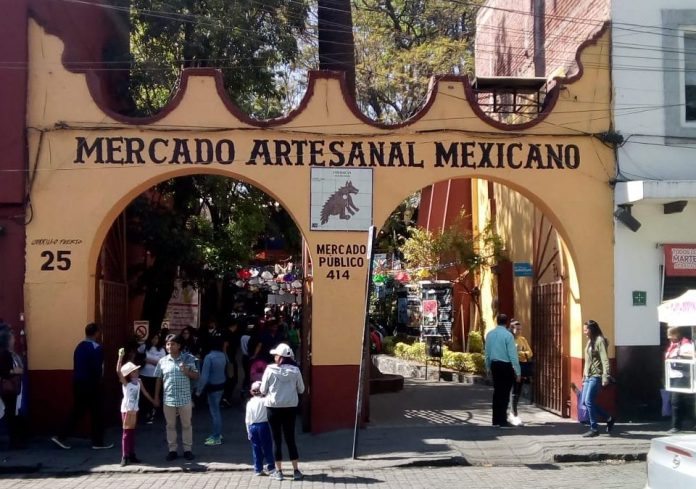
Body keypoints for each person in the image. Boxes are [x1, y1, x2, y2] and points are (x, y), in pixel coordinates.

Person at [51, 323, 113, 450]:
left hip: (78, 383)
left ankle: (60, 435)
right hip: (92, 384)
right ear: (96, 333)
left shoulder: (79, 347)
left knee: (78, 411)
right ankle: (97, 442)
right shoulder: (97, 348)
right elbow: (98, 369)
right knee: (97, 412)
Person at [260, 342, 305, 481]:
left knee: (276, 439)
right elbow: (301, 389)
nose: (274, 357)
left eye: (276, 355)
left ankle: (279, 471)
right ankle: (296, 470)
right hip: (290, 408)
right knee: (290, 438)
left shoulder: (269, 370)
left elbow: (263, 390)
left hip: (273, 408)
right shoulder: (296, 371)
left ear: (280, 357)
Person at [154, 333, 199, 461]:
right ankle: (172, 450)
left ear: (179, 345)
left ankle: (187, 450)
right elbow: (158, 379)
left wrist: (186, 371)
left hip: (185, 398)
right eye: (168, 344)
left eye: (172, 344)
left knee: (186, 425)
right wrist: (156, 397)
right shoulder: (162, 361)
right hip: (168, 399)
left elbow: (196, 376)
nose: (169, 346)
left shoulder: (188, 359)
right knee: (170, 426)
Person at [116, 350, 155, 466]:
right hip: (127, 410)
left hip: (134, 410)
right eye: (134, 371)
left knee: (132, 433)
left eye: (136, 370)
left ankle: (132, 454)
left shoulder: (139, 382)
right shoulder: (126, 383)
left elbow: (145, 393)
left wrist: (153, 401)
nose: (137, 372)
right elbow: (118, 371)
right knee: (126, 433)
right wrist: (120, 357)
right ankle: (125, 456)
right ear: (129, 374)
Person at [484, 314, 521, 428]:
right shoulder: (508, 336)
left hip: (494, 365)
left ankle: (495, 420)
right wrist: (518, 372)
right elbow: (513, 355)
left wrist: (487, 367)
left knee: (497, 392)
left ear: (497, 321)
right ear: (506, 323)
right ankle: (502, 420)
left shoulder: (489, 334)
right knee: (504, 394)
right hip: (505, 366)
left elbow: (487, 353)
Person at [581, 319, 615, 437]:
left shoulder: (600, 341)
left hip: (596, 376)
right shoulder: (590, 341)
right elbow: (587, 360)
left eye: (586, 330)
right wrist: (584, 375)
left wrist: (605, 376)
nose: (584, 332)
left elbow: (605, 360)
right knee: (585, 402)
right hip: (588, 376)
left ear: (591, 330)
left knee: (589, 401)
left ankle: (594, 428)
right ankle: (608, 417)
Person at [195, 335, 227, 446]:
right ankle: (217, 433)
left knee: (215, 413)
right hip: (221, 385)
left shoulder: (209, 357)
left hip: (212, 387)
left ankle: (216, 436)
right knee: (216, 411)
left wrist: (199, 390)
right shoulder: (223, 355)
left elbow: (204, 377)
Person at [665, 327, 694, 433]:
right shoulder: (674, 345)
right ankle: (678, 425)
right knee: (678, 401)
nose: (669, 338)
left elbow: (691, 356)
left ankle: (676, 426)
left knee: (677, 401)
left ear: (677, 334)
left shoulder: (685, 344)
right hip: (673, 376)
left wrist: (681, 356)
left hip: (682, 376)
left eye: (671, 335)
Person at [0, 323, 24, 449]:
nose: (14, 339)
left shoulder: (10, 354)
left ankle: (15, 440)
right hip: (9, 388)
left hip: (10, 388)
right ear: (8, 340)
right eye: (12, 337)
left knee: (11, 413)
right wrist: (16, 371)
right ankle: (14, 441)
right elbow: (4, 371)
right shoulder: (6, 354)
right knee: (11, 414)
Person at [245, 380, 276, 476]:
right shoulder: (266, 401)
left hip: (252, 426)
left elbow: (247, 419)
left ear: (251, 392)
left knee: (256, 448)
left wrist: (248, 431)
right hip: (264, 426)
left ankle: (258, 469)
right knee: (267, 447)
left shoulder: (249, 403)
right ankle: (271, 467)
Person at [137, 332, 166, 423]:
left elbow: (162, 363)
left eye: (156, 338)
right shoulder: (144, 347)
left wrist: (148, 360)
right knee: (144, 395)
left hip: (155, 376)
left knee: (154, 394)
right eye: (153, 338)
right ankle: (144, 413)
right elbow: (137, 355)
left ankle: (152, 413)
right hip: (143, 375)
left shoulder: (161, 350)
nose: (154, 340)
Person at [509, 319, 533, 426]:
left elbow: (530, 353)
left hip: (523, 367)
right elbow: (511, 353)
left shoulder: (522, 339)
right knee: (514, 389)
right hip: (513, 367)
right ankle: (513, 413)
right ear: (512, 329)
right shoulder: (509, 340)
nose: (519, 331)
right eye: (517, 329)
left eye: (520, 329)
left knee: (518, 390)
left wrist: (521, 353)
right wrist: (521, 353)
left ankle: (512, 411)